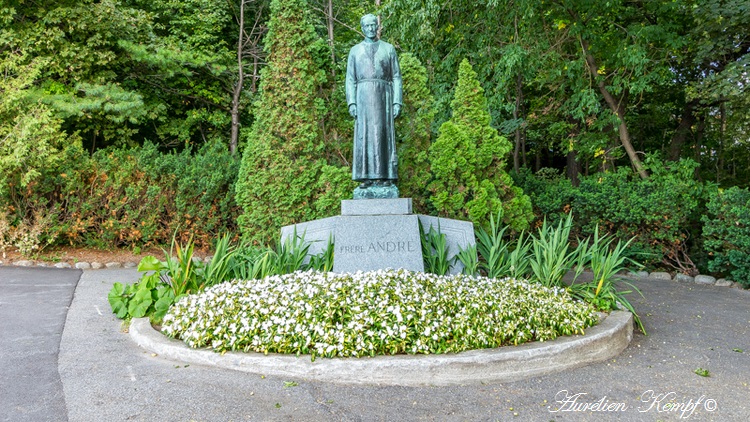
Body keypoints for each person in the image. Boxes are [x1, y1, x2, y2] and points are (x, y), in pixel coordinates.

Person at [345, 14, 402, 189]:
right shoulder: (355, 51)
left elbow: (397, 77)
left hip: (383, 96)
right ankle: (365, 176)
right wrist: (352, 102)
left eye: (373, 25)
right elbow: (350, 79)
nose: (370, 29)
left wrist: (396, 102)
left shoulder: (388, 49)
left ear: (377, 27)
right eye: (367, 26)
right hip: (362, 98)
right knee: (365, 136)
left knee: (383, 135)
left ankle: (386, 175)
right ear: (362, 28)